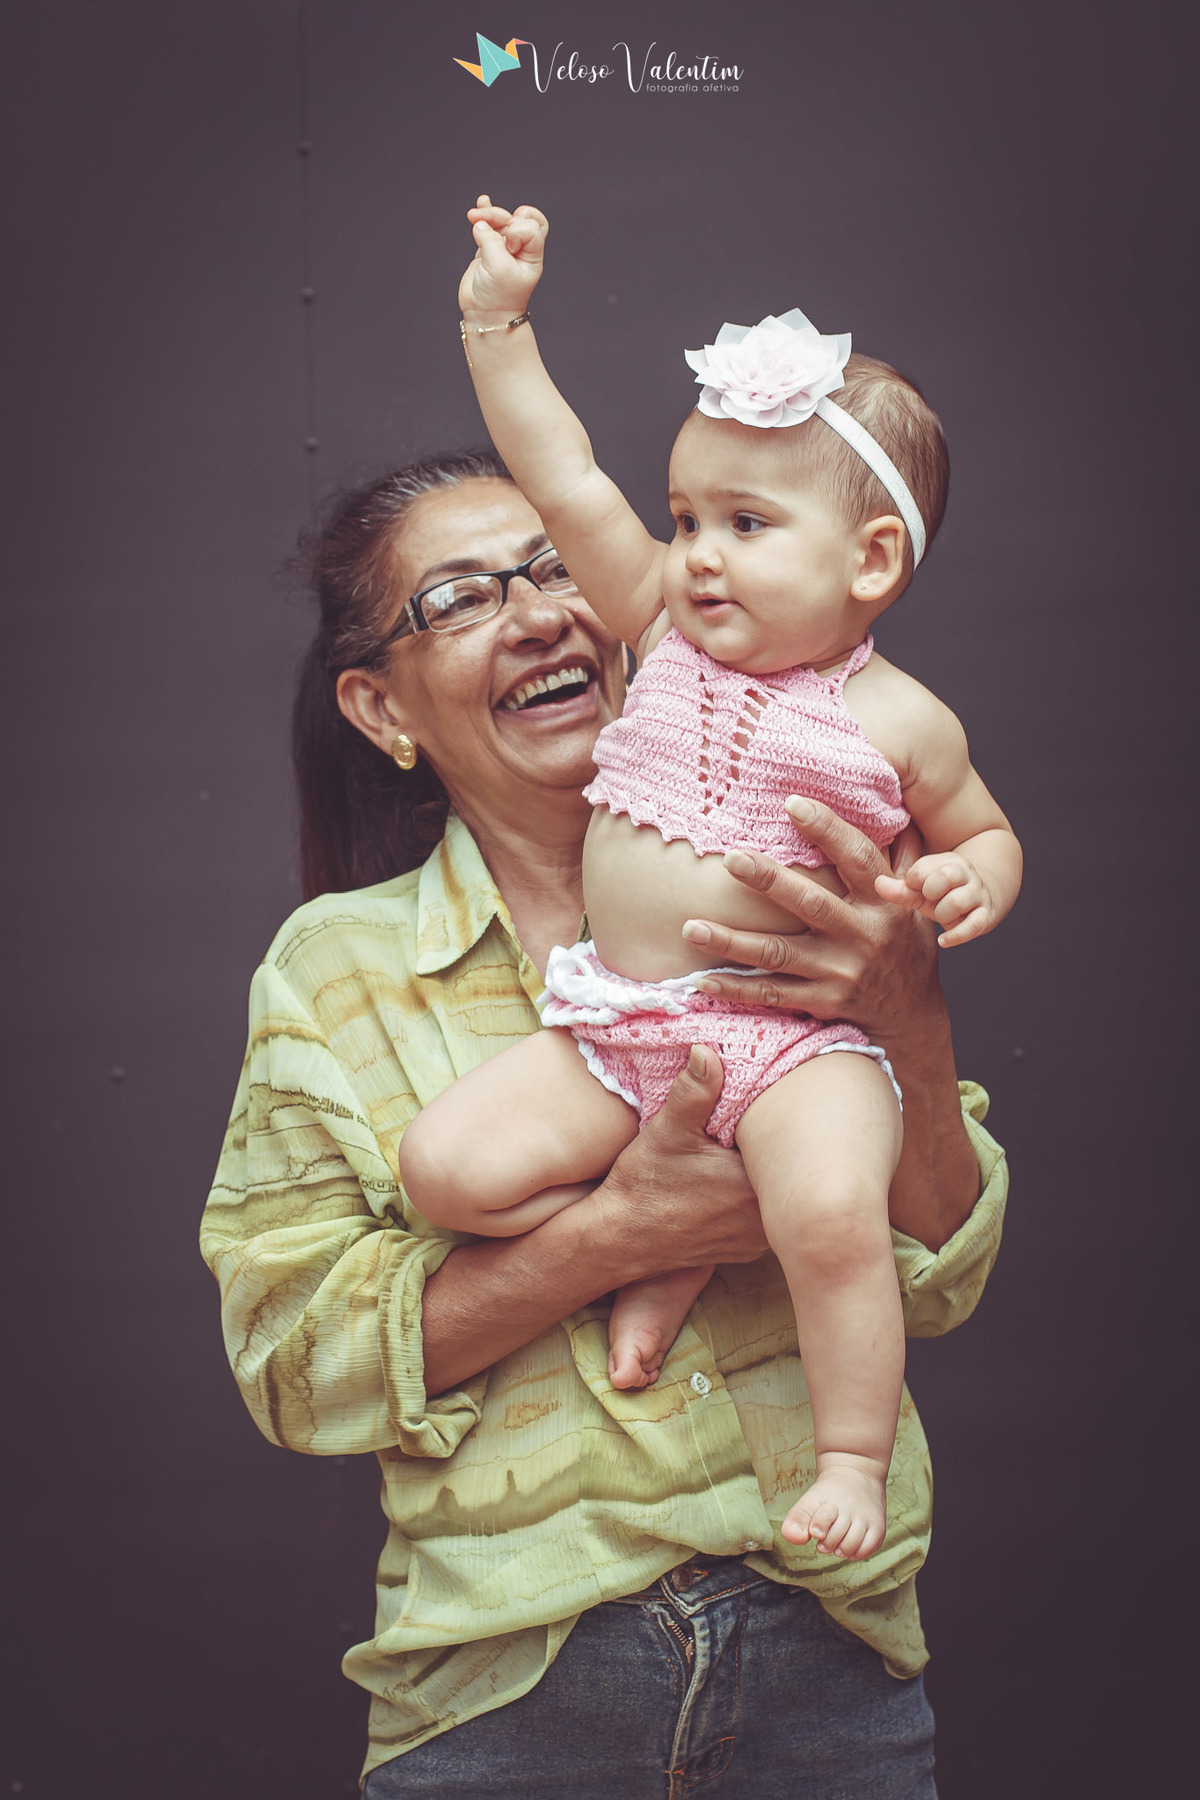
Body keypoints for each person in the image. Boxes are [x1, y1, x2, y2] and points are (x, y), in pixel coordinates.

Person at [200, 447, 1007, 1797]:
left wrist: (907, 1012)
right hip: (510, 1685)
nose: (536, 614)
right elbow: (295, 1364)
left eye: (555, 565)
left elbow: (942, 1270)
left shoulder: (803, 876)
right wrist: (621, 1232)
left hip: (827, 1654)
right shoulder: (330, 972)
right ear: (379, 708)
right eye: (458, 600)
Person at [397, 198, 1022, 1563]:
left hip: (799, 1051)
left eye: (745, 521)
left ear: (872, 562)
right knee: (443, 1167)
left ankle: (849, 1461)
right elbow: (563, 477)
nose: (698, 552)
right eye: (686, 516)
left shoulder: (900, 718)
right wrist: (494, 323)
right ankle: (657, 1235)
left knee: (830, 1224)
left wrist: (971, 882)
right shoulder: (663, 628)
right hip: (625, 1030)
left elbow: (982, 829)